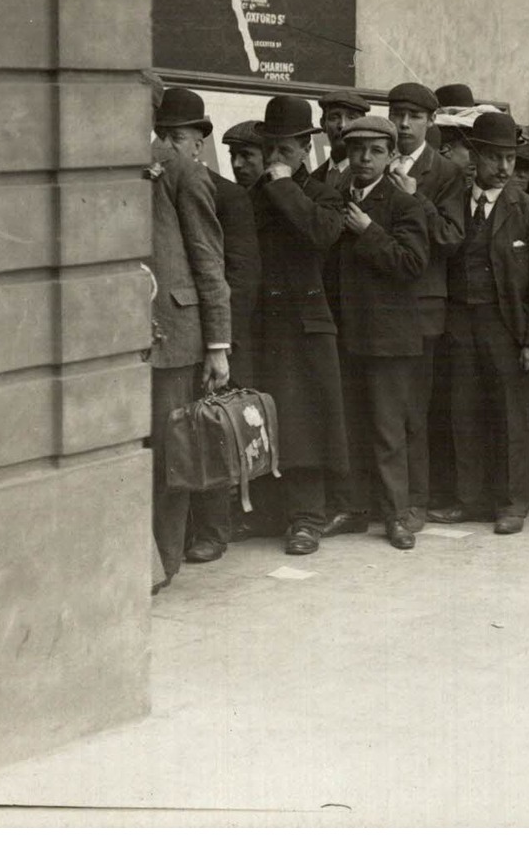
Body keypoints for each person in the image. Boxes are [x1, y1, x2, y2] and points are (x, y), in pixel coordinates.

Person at [429, 112, 529, 534]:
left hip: (507, 327)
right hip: (460, 324)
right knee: (462, 411)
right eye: (494, 158)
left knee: (510, 416)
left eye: (510, 159)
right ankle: (469, 499)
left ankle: (511, 504)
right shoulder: (453, 202)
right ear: (476, 157)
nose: (504, 168)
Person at [247, 95, 349, 555]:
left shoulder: (323, 192)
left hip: (305, 323)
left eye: (285, 150)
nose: (275, 160)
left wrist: (285, 185)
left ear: (306, 148)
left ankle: (307, 518)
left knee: (304, 422)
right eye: (270, 150)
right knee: (263, 423)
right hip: (262, 324)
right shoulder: (255, 194)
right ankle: (268, 514)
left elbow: (321, 235)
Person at [332, 114, 431, 550]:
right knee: (351, 424)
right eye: (357, 150)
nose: (364, 159)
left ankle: (396, 515)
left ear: (392, 156)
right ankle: (355, 509)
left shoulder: (404, 204)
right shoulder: (336, 196)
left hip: (390, 339)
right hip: (347, 333)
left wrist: (369, 231)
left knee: (389, 430)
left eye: (375, 151)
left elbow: (412, 264)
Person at [147, 88, 231, 592]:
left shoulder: (181, 170)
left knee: (168, 452)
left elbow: (208, 259)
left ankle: (163, 561)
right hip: (127, 331)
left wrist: (218, 344)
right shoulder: (116, 161)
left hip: (175, 337)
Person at [385, 82, 467, 530]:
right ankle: (388, 498)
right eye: (397, 114)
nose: (403, 124)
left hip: (421, 309)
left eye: (414, 117)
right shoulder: (375, 158)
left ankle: (414, 501)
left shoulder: (446, 173)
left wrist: (414, 194)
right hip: (378, 305)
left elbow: (452, 239)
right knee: (382, 408)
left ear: (431, 122)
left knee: (415, 408)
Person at [184, 111, 261, 565]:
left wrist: (223, 337)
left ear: (199, 141)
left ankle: (214, 528)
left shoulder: (226, 195)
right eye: (164, 136)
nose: (171, 146)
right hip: (173, 331)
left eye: (181, 137)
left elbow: (241, 274)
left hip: (216, 335)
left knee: (209, 429)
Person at [313, 90, 371, 192]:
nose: (342, 125)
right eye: (334, 117)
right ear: (323, 123)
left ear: (362, 126)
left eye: (351, 118)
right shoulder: (313, 178)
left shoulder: (372, 177)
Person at [223, 119, 266, 190]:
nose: (236, 164)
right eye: (233, 155)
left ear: (267, 156)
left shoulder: (284, 195)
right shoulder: (230, 196)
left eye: (245, 155)